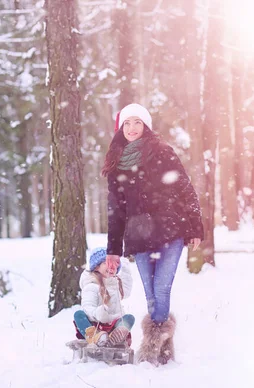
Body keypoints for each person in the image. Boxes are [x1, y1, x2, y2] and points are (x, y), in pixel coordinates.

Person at [101, 103, 204, 365]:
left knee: (161, 288)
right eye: (127, 123)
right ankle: (165, 346)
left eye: (137, 122)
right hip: (140, 236)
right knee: (150, 293)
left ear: (145, 126)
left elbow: (185, 189)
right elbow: (116, 211)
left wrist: (194, 228)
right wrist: (113, 248)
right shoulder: (116, 164)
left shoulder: (162, 152)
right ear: (121, 127)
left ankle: (151, 347)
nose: (132, 128)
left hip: (172, 230)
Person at [73, 247, 135, 347]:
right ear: (96, 267)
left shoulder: (115, 284)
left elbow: (127, 289)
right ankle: (96, 337)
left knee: (129, 318)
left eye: (115, 264)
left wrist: (124, 263)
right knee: (79, 315)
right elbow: (87, 307)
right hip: (94, 325)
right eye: (107, 262)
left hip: (112, 326)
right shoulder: (91, 285)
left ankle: (114, 337)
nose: (112, 266)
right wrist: (98, 313)